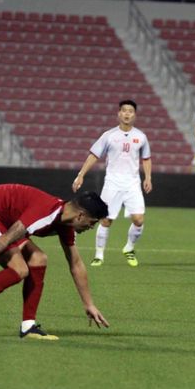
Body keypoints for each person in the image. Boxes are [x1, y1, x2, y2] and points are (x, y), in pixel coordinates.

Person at [0, 184, 110, 340]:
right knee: (19, 269)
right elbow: (6, 238)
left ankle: (28, 326)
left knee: (38, 259)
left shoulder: (65, 222)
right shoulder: (45, 214)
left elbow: (76, 264)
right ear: (80, 215)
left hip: (5, 221)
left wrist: (89, 304)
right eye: (93, 222)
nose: (91, 227)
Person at [72, 99, 152, 268]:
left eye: (130, 111)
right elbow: (94, 155)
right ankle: (99, 255)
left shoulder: (141, 137)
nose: (127, 114)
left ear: (134, 115)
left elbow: (146, 158)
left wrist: (148, 178)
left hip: (132, 184)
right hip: (112, 183)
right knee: (106, 220)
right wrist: (81, 175)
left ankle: (129, 248)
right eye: (124, 111)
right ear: (119, 114)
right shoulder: (109, 135)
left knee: (138, 220)